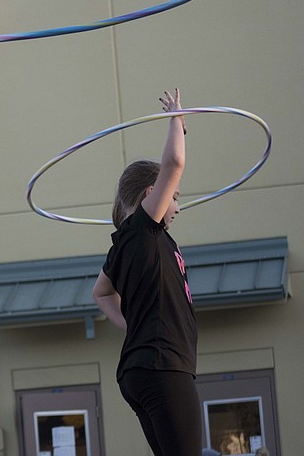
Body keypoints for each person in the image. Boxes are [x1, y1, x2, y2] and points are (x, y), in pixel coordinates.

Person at [92, 88, 200, 456]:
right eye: (175, 197)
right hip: (162, 367)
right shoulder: (143, 230)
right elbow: (174, 165)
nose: (177, 207)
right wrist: (176, 121)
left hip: (142, 370)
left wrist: (132, 324)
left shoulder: (127, 242)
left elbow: (101, 293)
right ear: (153, 193)